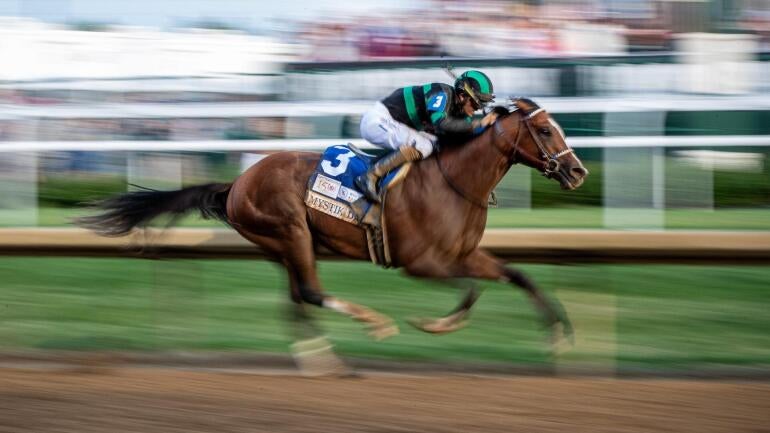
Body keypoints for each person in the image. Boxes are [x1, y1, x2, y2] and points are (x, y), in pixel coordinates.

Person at [355, 70, 498, 202]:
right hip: (377, 121)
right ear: (462, 95)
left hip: (395, 124)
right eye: (476, 103)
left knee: (436, 145)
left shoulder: (460, 113)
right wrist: (477, 124)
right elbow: (441, 123)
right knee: (424, 145)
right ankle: (370, 176)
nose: (477, 109)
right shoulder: (442, 92)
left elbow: (465, 144)